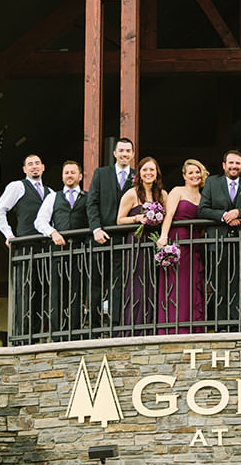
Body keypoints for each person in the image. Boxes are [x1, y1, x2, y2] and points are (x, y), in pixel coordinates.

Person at [0, 153, 51, 343]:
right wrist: (9, 235)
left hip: (46, 248)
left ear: (43, 167)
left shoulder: (50, 193)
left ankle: (38, 335)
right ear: (25, 170)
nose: (34, 167)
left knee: (43, 292)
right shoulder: (18, 187)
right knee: (24, 291)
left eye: (37, 164)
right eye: (30, 164)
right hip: (25, 247)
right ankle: (23, 338)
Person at [32, 159, 87, 340]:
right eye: (66, 173)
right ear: (62, 177)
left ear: (80, 176)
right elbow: (40, 221)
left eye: (73, 172)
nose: (69, 175)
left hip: (80, 251)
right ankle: (57, 335)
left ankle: (76, 333)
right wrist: (52, 232)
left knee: (78, 292)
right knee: (56, 292)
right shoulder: (53, 197)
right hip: (58, 252)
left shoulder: (87, 197)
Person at [86, 138, 136, 334]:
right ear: (115, 153)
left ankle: (117, 326)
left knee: (121, 282)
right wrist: (96, 228)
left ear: (132, 154)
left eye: (128, 151)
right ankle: (95, 327)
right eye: (121, 151)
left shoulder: (136, 176)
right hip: (101, 237)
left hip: (126, 238)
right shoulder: (101, 173)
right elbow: (92, 203)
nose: (124, 154)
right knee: (97, 282)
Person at [154, 159, 209, 334]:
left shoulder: (203, 197)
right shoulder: (177, 191)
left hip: (194, 246)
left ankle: (192, 327)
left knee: (192, 285)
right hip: (177, 242)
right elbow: (169, 214)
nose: (195, 175)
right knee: (176, 284)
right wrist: (163, 236)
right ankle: (172, 327)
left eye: (197, 172)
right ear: (184, 175)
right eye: (191, 172)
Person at [196, 149, 241, 330]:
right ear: (224, 165)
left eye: (238, 163)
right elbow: (202, 209)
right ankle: (220, 325)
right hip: (217, 242)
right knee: (219, 284)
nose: (234, 166)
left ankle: (236, 325)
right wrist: (224, 215)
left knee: (238, 284)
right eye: (231, 163)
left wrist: (239, 212)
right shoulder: (212, 183)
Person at [115, 157, 166, 335]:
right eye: (145, 170)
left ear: (157, 173)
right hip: (137, 244)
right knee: (137, 286)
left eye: (152, 170)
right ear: (139, 173)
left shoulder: (162, 194)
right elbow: (119, 220)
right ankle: (135, 328)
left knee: (156, 283)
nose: (148, 173)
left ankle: (154, 327)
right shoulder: (132, 194)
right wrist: (137, 218)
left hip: (155, 243)